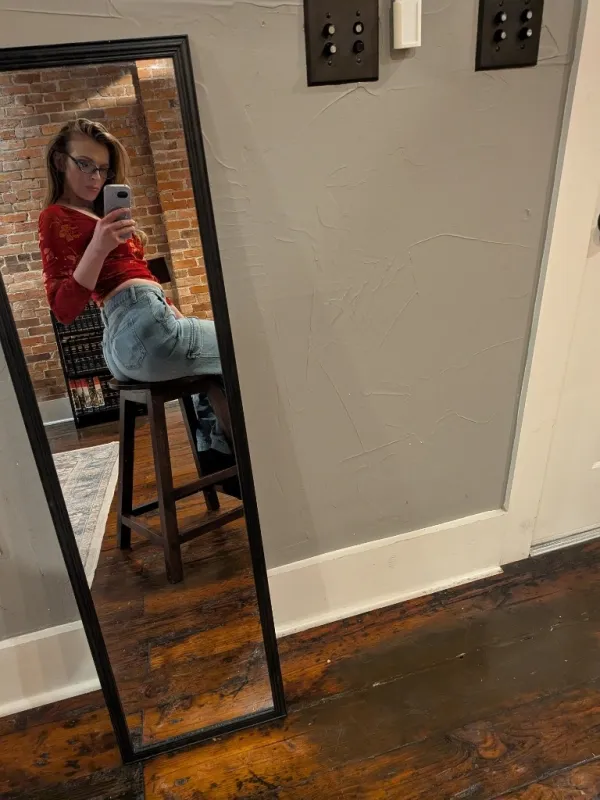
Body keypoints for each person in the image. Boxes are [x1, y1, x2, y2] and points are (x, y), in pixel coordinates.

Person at [38, 118, 239, 495]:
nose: (95, 177)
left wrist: (171, 308)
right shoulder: (56, 217)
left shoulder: (99, 214)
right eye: (85, 164)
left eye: (102, 168)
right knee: (243, 346)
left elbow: (138, 276)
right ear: (60, 161)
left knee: (216, 368)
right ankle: (249, 467)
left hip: (136, 334)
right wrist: (98, 246)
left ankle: (223, 459)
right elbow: (64, 309)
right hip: (138, 328)